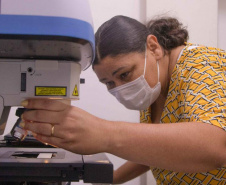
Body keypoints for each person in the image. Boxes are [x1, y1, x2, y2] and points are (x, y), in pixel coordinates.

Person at [20, 16, 226, 184]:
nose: (121, 89)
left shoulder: (202, 63)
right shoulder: (153, 88)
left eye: (124, 75)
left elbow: (216, 146)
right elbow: (160, 148)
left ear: (153, 47)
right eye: (108, 83)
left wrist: (105, 133)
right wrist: (112, 180)